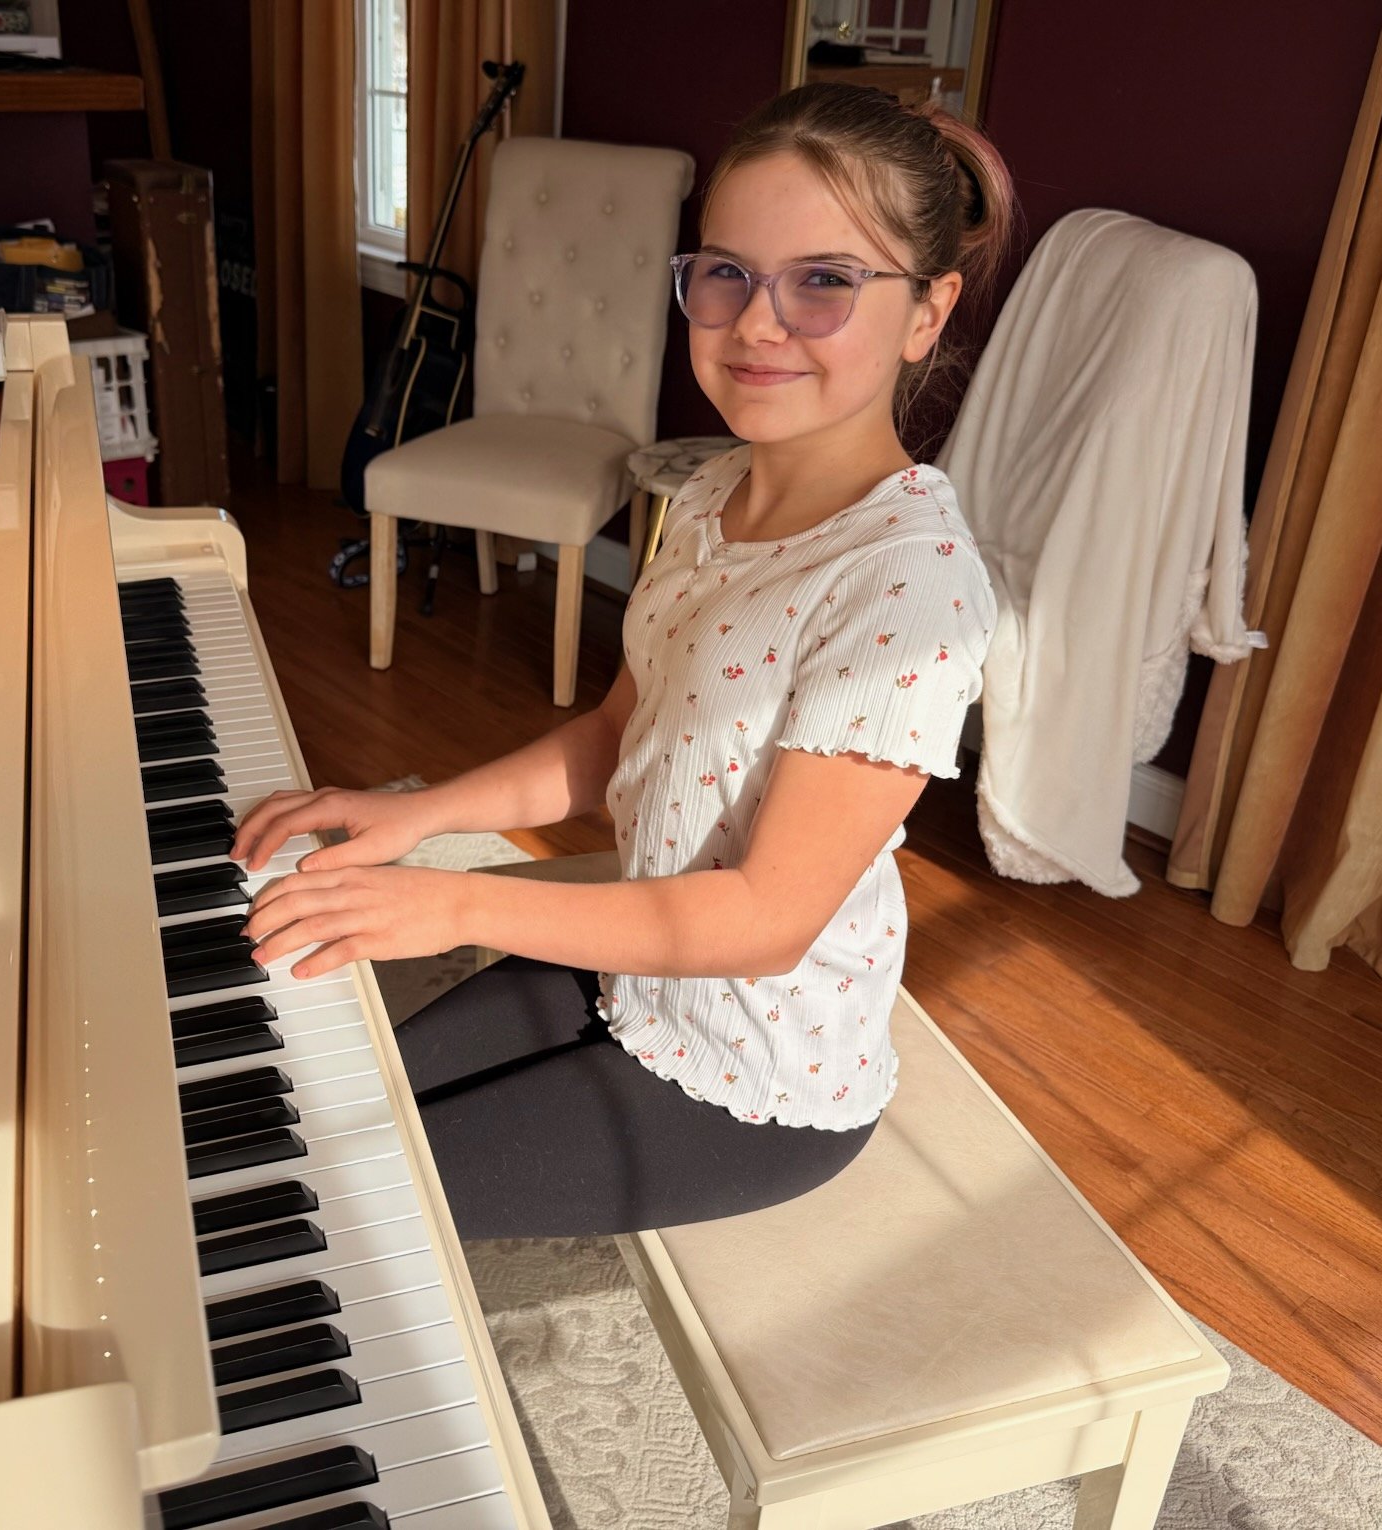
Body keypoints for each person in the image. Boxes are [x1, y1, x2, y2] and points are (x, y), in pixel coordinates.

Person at [230, 83, 1016, 1238]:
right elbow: (612, 737)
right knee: (329, 1098)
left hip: (756, 1074)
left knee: (335, 1206)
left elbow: (762, 921)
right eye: (726, 273)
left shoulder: (909, 588)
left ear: (925, 313)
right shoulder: (709, 491)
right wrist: (412, 818)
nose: (756, 323)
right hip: (635, 961)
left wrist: (454, 904)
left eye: (824, 282)